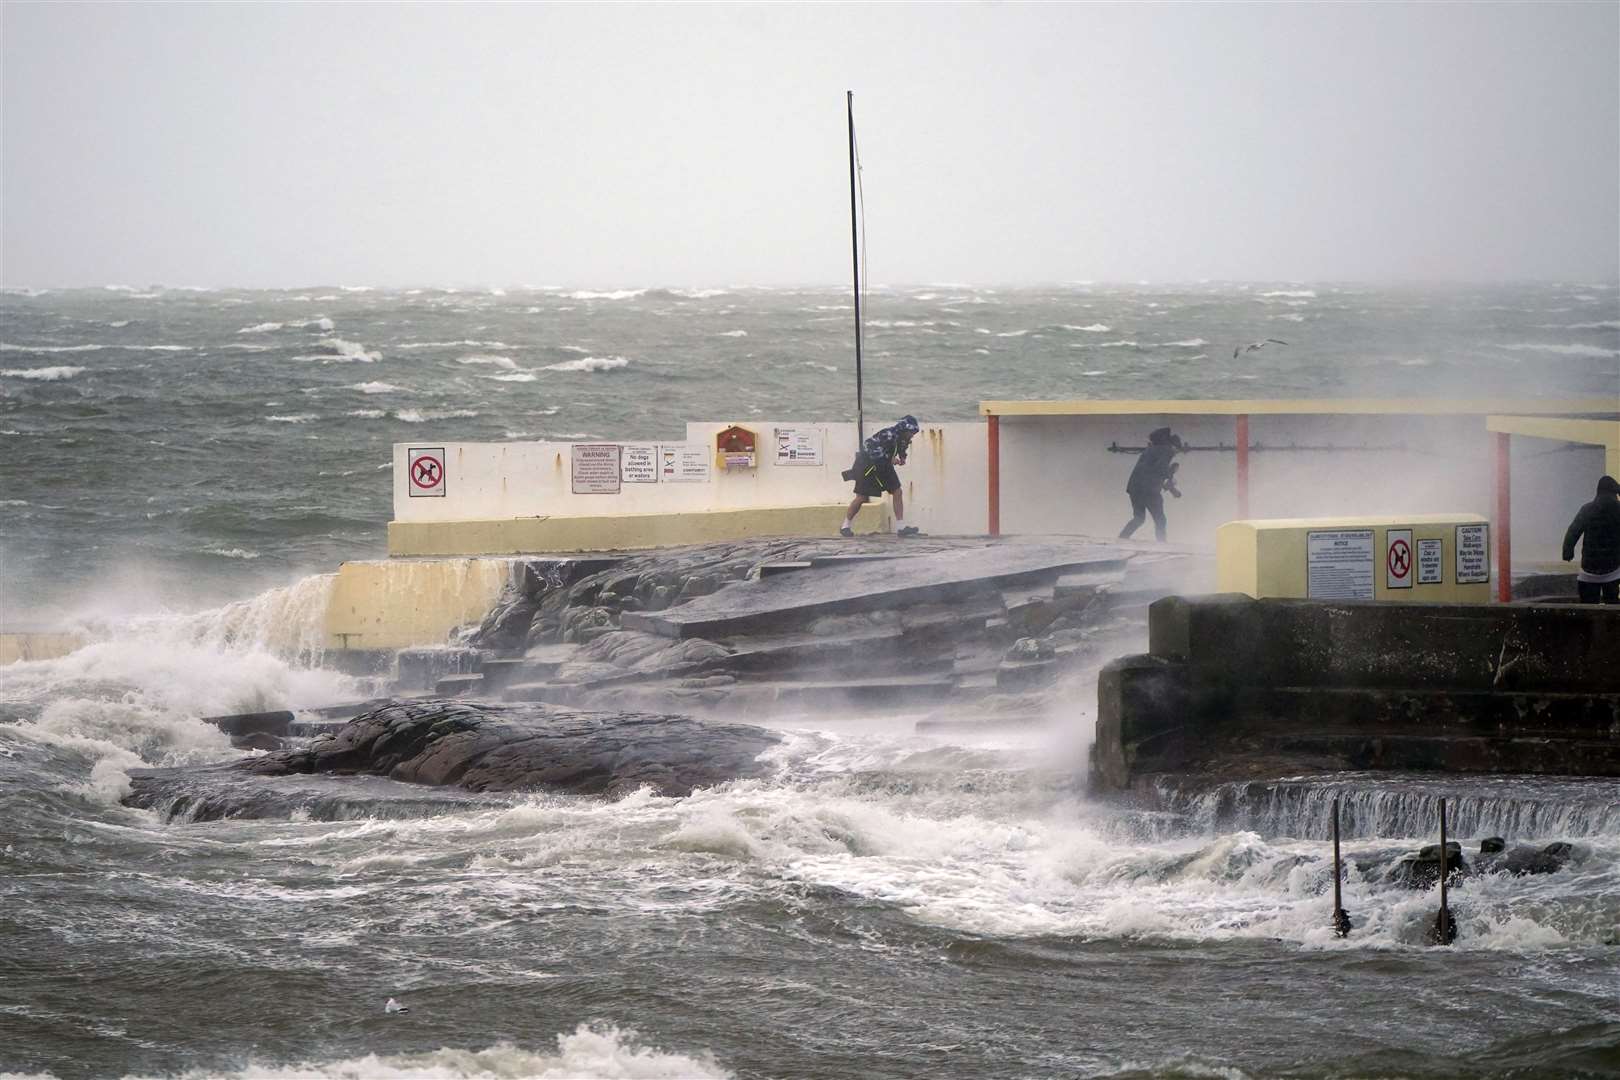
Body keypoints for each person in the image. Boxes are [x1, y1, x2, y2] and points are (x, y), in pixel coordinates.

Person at [840, 414, 921, 537]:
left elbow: (902, 447)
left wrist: (902, 457)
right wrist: (890, 459)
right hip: (868, 466)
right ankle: (845, 526)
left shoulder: (902, 437)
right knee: (862, 497)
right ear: (904, 429)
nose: (912, 435)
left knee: (897, 491)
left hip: (884, 466)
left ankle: (901, 527)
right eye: (911, 432)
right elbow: (871, 450)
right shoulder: (887, 435)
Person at [1118, 426, 1183, 542]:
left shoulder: (1150, 450)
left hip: (1135, 488)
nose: (1176, 453)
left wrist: (1169, 482)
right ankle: (1162, 544)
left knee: (1138, 518)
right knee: (1160, 520)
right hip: (1148, 490)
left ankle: (1121, 539)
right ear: (1173, 445)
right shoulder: (1166, 450)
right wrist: (1171, 474)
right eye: (1177, 449)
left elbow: (1151, 471)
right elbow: (1160, 469)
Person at [1562, 474, 1620, 604]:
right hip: (1613, 568)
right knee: (1612, 604)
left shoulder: (1587, 509)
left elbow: (1573, 531)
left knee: (1588, 605)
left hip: (1588, 569)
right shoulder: (1618, 509)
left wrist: (1567, 551)